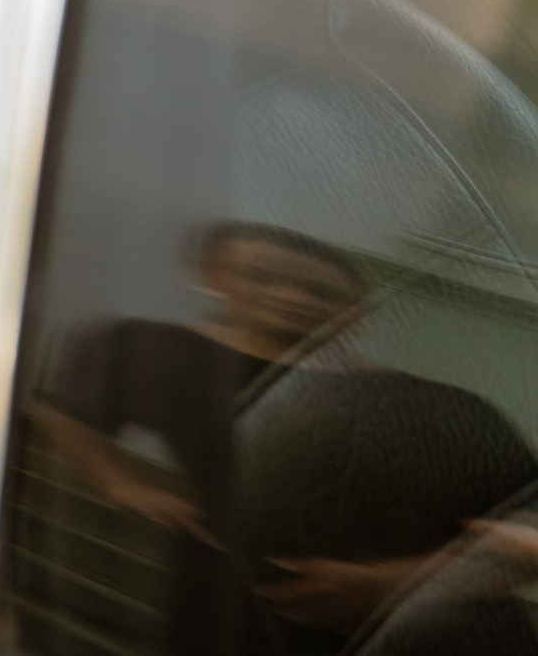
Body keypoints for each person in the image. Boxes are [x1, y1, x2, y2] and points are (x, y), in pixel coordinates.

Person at [33, 222, 538, 656]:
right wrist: (117, 481)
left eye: (319, 291)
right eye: (262, 276)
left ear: (356, 309)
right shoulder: (157, 352)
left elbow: (527, 530)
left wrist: (401, 584)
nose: (292, 297)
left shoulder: (445, 409)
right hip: (235, 617)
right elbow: (63, 407)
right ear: (215, 276)